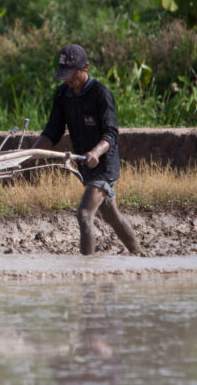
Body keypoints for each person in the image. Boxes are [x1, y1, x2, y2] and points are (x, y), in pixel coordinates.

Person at [32, 44, 142, 255]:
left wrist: (96, 152)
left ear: (86, 67)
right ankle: (139, 254)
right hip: (85, 164)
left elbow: (111, 133)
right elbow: (53, 131)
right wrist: (31, 153)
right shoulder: (62, 95)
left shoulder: (100, 93)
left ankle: (87, 270)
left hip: (104, 164)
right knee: (111, 216)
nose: (69, 79)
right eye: (65, 75)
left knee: (84, 214)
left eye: (73, 74)